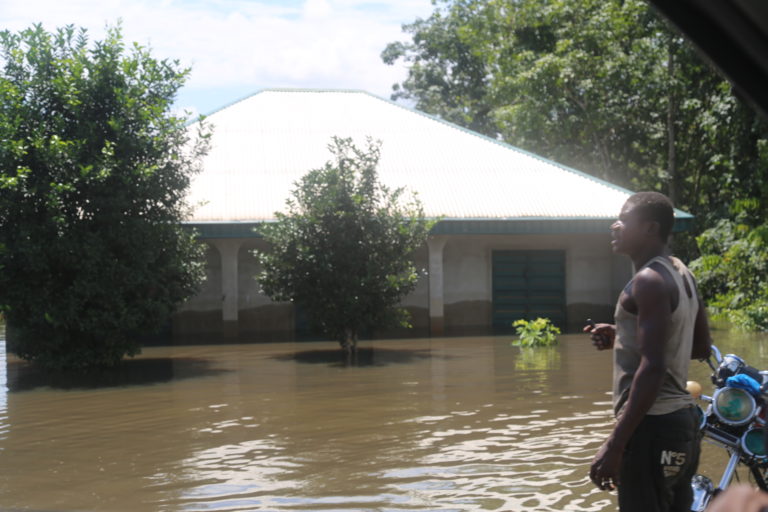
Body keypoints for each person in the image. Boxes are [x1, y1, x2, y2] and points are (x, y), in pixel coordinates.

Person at [584, 191, 712, 511]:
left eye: (624, 220)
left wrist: (615, 444)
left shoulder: (648, 280)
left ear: (650, 228)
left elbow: (653, 367)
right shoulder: (681, 272)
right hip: (682, 427)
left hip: (651, 431)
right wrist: (624, 335)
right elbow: (699, 346)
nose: (615, 226)